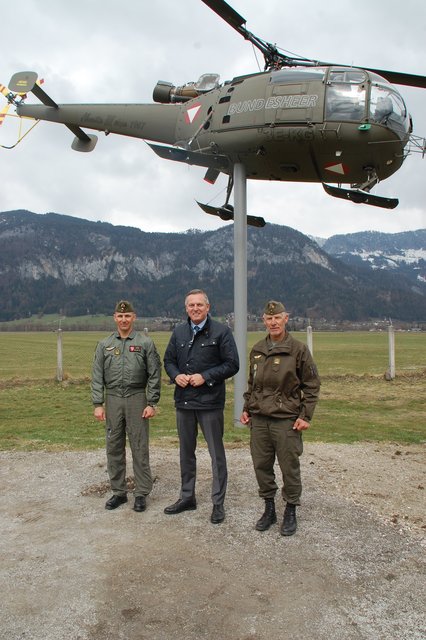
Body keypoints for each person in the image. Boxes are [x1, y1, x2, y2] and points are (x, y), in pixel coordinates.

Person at [240, 301, 320, 536]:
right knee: (261, 466)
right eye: (268, 319)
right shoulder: (257, 350)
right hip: (260, 420)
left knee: (289, 467)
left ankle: (291, 510)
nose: (273, 323)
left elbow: (312, 385)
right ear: (263, 321)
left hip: (286, 420)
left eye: (277, 318)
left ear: (286, 319)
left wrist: (305, 415)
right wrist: (247, 408)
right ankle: (269, 508)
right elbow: (252, 385)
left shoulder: (298, 350)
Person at [163, 289, 239, 524]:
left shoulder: (221, 332)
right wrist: (176, 376)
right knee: (186, 453)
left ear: (208, 307)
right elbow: (169, 360)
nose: (195, 309)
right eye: (191, 305)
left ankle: (218, 503)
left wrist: (205, 377)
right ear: (186, 308)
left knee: (216, 454)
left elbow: (232, 364)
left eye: (199, 305)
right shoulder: (179, 332)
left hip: (210, 403)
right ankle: (187, 497)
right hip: (184, 402)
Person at [91, 300, 161, 512]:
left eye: (127, 316)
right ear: (115, 318)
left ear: (134, 317)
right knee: (113, 446)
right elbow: (97, 376)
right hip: (112, 399)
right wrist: (98, 403)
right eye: (120, 316)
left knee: (139, 446)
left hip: (137, 398)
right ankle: (118, 492)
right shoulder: (104, 345)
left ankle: (141, 493)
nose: (124, 320)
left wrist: (152, 402)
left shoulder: (145, 343)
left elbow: (154, 373)